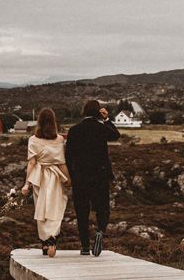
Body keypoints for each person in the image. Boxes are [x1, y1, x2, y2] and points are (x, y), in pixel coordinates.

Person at [65, 99, 120, 256]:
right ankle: (100, 232)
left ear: (84, 112)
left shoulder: (74, 130)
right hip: (100, 176)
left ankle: (84, 247)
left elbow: (68, 156)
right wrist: (107, 119)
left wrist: (72, 174)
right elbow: (116, 135)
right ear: (98, 112)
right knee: (103, 208)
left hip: (80, 177)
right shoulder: (101, 128)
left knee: (82, 212)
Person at [21, 108, 71, 257]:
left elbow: (31, 163)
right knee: (56, 208)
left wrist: (26, 184)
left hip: (40, 177)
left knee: (41, 209)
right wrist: (69, 180)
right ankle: (52, 239)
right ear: (54, 122)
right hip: (56, 177)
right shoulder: (60, 140)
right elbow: (62, 163)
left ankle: (44, 243)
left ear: (39, 122)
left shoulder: (33, 140)